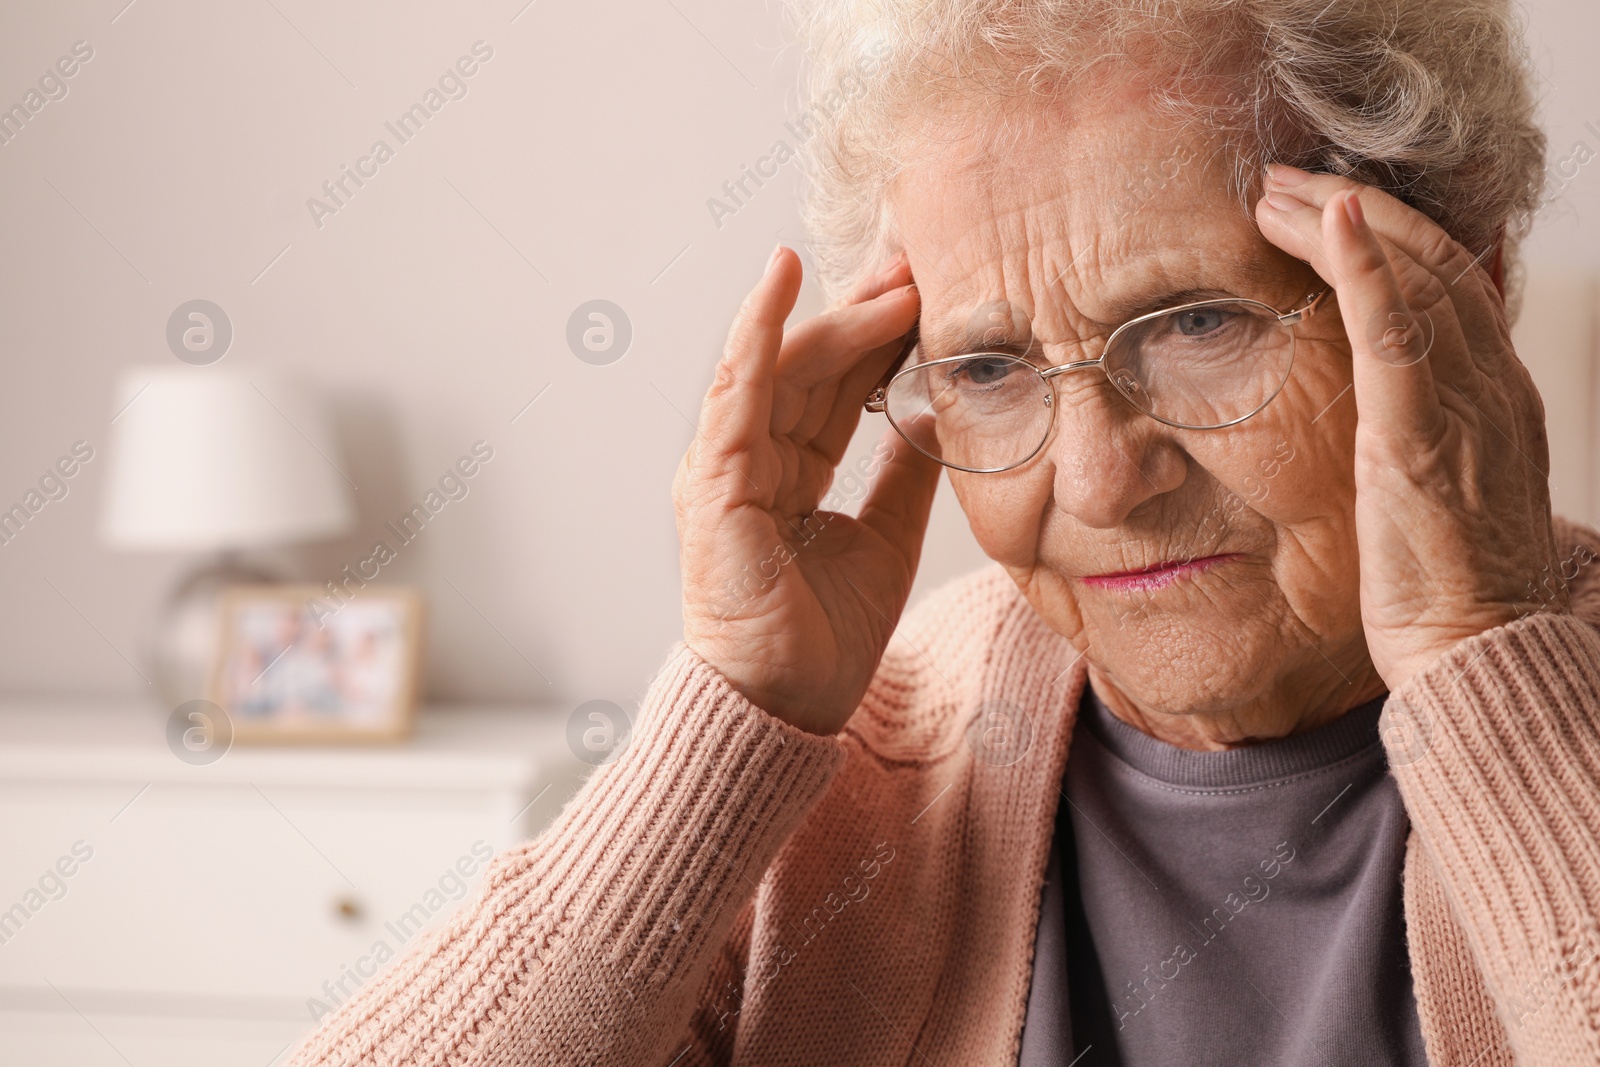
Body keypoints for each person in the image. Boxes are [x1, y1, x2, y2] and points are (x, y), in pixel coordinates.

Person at [288, 0, 1600, 1063]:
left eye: (1198, 323)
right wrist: (730, 714)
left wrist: (1489, 662)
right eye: (986, 366)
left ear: (1461, 300)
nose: (1096, 481)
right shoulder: (855, 765)